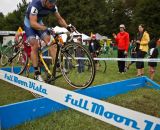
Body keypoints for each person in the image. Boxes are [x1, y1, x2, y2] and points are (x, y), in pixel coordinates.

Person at [24, 0, 75, 81]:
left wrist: (67, 26)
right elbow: (33, 23)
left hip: (39, 23)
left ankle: (58, 66)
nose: (53, 4)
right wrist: (46, 28)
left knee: (52, 43)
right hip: (29, 24)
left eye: (54, 1)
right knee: (35, 45)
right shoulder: (35, 5)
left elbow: (59, 19)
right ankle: (37, 73)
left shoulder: (53, 6)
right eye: (51, 2)